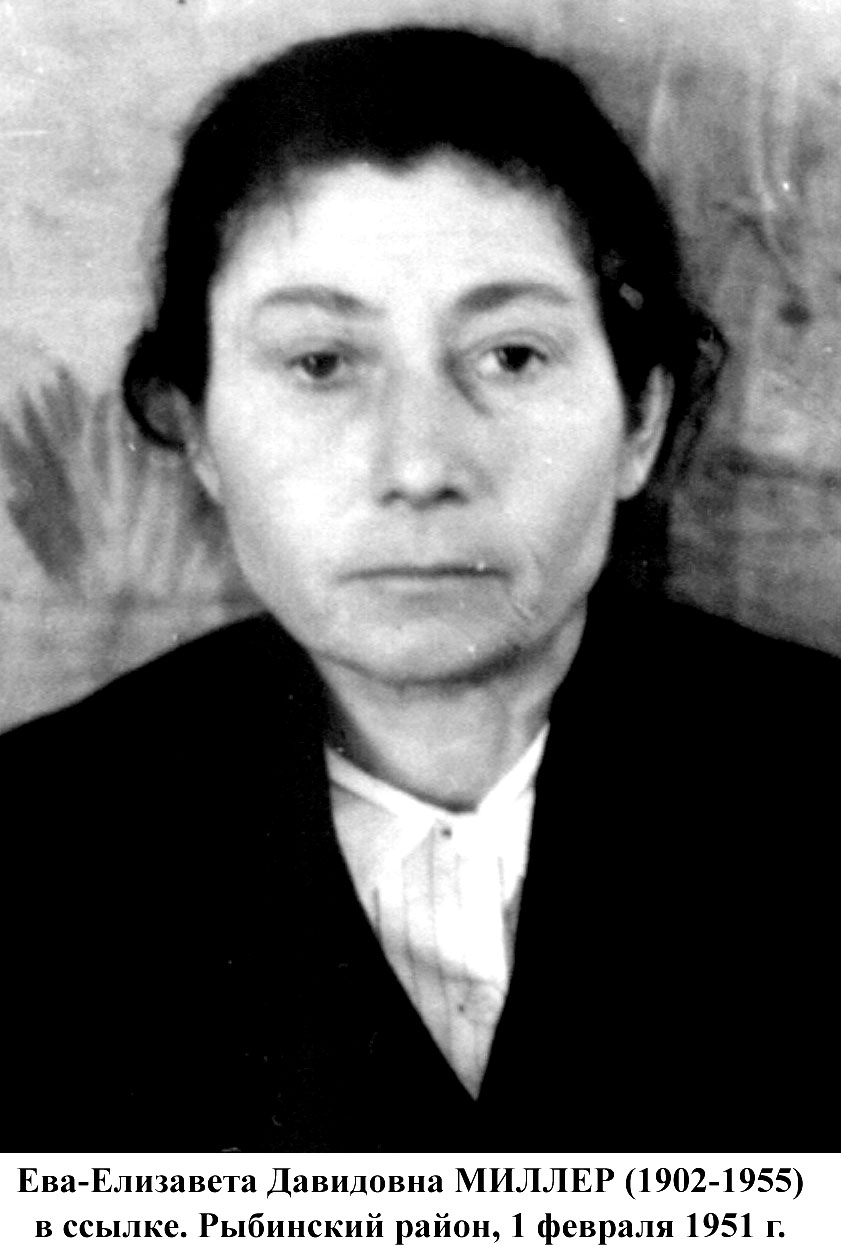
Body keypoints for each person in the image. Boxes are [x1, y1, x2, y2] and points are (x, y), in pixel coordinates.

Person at [5, 25, 836, 1150]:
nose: (418, 465)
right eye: (320, 364)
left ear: (640, 418)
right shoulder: (32, 848)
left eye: (510, 356)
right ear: (197, 430)